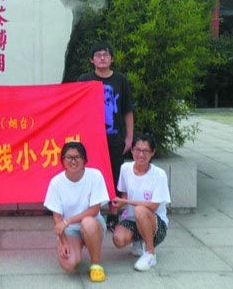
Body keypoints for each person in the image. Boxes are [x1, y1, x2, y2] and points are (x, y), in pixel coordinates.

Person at [78, 41, 134, 232]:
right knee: (89, 174)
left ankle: (113, 213)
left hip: (115, 137)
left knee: (115, 174)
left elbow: (127, 110)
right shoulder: (84, 79)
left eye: (106, 54)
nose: (102, 58)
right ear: (91, 60)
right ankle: (89, 212)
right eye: (98, 55)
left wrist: (129, 138)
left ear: (112, 58)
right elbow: (75, 107)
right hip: (90, 139)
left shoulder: (120, 80)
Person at [43, 141, 110, 283]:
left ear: (84, 159)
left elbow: (94, 210)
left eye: (77, 157)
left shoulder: (95, 176)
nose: (73, 161)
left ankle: (96, 265)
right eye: (69, 157)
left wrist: (68, 221)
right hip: (70, 230)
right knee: (69, 263)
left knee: (88, 223)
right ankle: (76, 247)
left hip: (93, 224)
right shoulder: (56, 183)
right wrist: (63, 241)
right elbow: (57, 218)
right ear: (62, 160)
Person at [111, 133, 171, 272]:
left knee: (140, 210)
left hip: (156, 224)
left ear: (152, 153)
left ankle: (150, 253)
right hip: (133, 220)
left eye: (146, 151)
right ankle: (138, 241)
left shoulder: (159, 174)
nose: (141, 154)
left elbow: (153, 206)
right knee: (118, 239)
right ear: (132, 150)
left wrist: (125, 201)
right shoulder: (125, 168)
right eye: (137, 150)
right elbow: (124, 194)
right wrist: (119, 203)